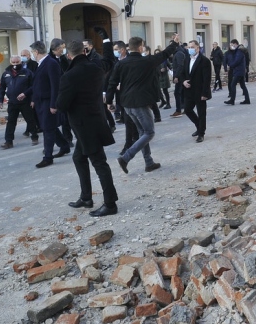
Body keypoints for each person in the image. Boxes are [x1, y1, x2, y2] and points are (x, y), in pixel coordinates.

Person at [55, 40, 119, 217]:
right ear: (84, 51)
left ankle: (110, 203)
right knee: (78, 158)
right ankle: (86, 197)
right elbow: (108, 60)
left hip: (84, 126)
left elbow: (62, 104)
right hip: (96, 120)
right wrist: (105, 40)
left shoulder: (69, 76)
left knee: (99, 163)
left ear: (69, 55)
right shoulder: (95, 68)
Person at [106, 34, 180, 174]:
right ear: (140, 47)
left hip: (127, 104)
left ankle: (149, 163)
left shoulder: (121, 64)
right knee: (149, 132)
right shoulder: (147, 61)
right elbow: (164, 54)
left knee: (142, 133)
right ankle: (125, 158)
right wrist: (174, 43)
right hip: (139, 104)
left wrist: (109, 101)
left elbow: (112, 83)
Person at [25, 41, 68, 168]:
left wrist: (54, 104)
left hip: (48, 101)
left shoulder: (51, 63)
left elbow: (55, 85)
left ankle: (48, 157)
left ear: (36, 52)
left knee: (48, 129)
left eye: (32, 52)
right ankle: (64, 146)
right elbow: (37, 84)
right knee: (49, 126)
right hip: (40, 101)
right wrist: (30, 96)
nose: (32, 54)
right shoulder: (41, 64)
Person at [0, 55, 38, 149]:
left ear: (21, 62)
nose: (15, 64)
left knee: (30, 120)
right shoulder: (6, 73)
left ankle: (34, 137)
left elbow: (34, 86)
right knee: (11, 122)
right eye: (13, 62)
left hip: (25, 101)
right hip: (12, 102)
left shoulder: (27, 73)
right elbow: (2, 88)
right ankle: (8, 141)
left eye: (17, 62)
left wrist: (31, 98)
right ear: (11, 63)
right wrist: (0, 100)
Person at [179, 40, 212, 143]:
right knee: (188, 110)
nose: (190, 49)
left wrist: (205, 93)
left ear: (198, 48)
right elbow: (182, 73)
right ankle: (199, 126)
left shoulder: (204, 61)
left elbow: (207, 78)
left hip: (200, 91)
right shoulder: (187, 59)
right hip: (189, 91)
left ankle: (201, 133)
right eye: (189, 47)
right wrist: (183, 81)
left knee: (202, 113)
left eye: (192, 47)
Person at [224, 39, 251, 105]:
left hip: (239, 71)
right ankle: (247, 100)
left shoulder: (239, 51)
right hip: (240, 70)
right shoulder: (238, 51)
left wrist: (230, 65)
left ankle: (232, 100)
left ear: (235, 44)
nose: (231, 46)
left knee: (233, 84)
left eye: (232, 45)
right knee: (243, 85)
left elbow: (237, 61)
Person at [170, 41, 187, 118]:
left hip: (180, 76)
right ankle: (184, 108)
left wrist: (176, 76)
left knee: (177, 93)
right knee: (181, 92)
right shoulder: (178, 52)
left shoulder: (179, 53)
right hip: (180, 75)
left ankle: (178, 110)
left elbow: (180, 65)